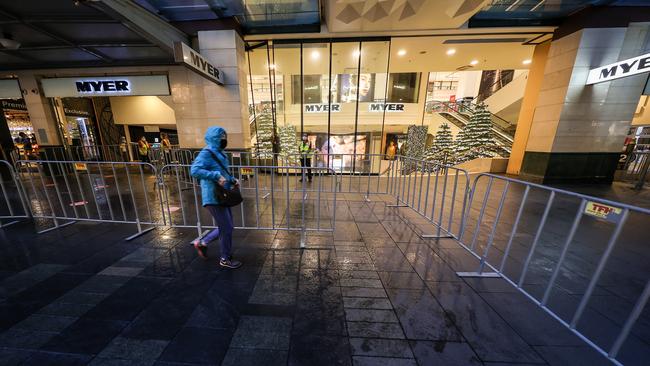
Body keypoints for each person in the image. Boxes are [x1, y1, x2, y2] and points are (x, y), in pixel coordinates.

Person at [190, 126, 242, 269]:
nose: (224, 140)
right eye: (221, 138)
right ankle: (224, 259)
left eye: (225, 137)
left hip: (222, 195)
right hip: (213, 196)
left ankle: (203, 243)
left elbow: (222, 173)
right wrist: (215, 176)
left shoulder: (220, 152)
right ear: (214, 139)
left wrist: (232, 179)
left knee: (227, 227)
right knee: (227, 228)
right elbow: (194, 170)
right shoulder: (207, 153)